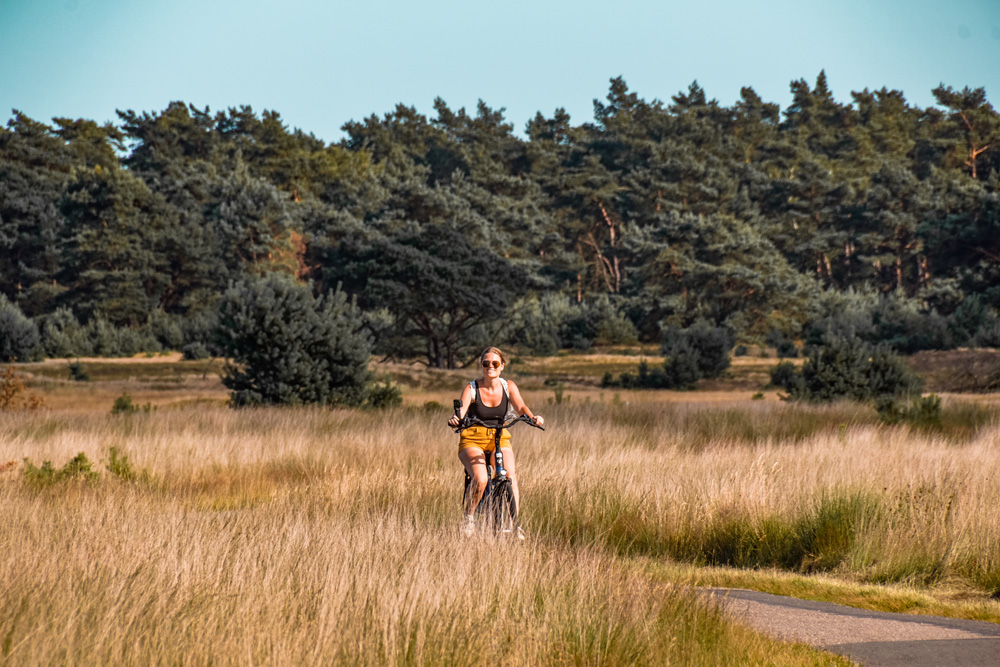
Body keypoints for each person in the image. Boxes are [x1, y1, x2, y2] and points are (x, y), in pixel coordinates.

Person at [448, 346, 543, 536]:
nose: (490, 366)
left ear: (502, 367)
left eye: (495, 363)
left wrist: (533, 417)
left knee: (509, 475)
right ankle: (469, 518)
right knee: (481, 479)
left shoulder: (508, 386)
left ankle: (513, 524)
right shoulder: (472, 388)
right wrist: (456, 419)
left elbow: (520, 406)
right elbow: (462, 410)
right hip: (473, 439)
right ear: (482, 366)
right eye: (486, 363)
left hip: (499, 437)